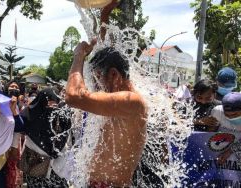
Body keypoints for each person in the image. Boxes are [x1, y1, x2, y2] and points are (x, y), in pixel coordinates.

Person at [65, 42, 147, 186]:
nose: (96, 88)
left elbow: (74, 96)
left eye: (97, 80)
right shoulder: (119, 104)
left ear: (114, 74)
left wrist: (79, 56)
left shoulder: (131, 100)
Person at [15, 88, 71, 187]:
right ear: (41, 101)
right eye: (48, 103)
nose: (51, 107)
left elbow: (65, 135)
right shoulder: (30, 114)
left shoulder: (62, 117)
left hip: (56, 169)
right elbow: (18, 126)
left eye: (54, 103)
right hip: (35, 166)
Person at [210, 92, 241, 164]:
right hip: (219, 147)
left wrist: (230, 151)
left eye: (235, 114)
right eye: (226, 114)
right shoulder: (218, 112)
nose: (230, 117)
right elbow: (210, 134)